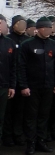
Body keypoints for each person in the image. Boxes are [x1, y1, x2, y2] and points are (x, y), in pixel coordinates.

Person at [17, 17, 55, 155]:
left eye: (50, 28)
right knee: (31, 115)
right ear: (39, 29)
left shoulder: (54, 45)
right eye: (46, 28)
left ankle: (41, 141)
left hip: (48, 86)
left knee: (44, 114)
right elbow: (21, 66)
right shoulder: (27, 44)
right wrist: (24, 86)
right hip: (32, 86)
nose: (49, 30)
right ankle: (31, 142)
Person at [2, 15, 28, 147]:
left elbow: (21, 64)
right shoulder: (9, 39)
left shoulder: (27, 40)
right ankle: (7, 135)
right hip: (8, 82)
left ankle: (18, 134)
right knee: (7, 111)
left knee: (20, 110)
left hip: (20, 82)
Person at [0, 14, 17, 151]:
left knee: (1, 118)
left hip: (3, 86)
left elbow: (13, 66)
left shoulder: (9, 42)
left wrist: (12, 85)